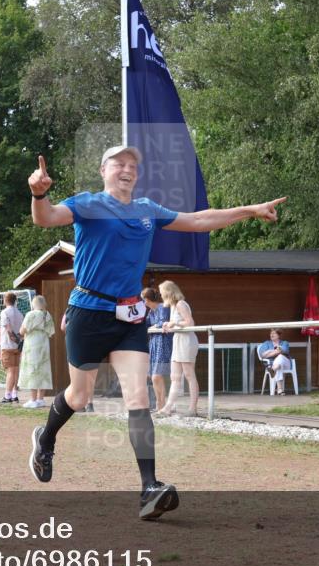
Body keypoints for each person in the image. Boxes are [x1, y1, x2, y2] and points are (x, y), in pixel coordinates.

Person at [26, 147, 284, 520]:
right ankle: (45, 438)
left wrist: (251, 210)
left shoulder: (147, 209)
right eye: (119, 164)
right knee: (80, 396)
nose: (127, 170)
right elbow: (46, 218)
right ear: (104, 170)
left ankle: (149, 487)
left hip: (130, 317)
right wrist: (39, 193)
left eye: (133, 166)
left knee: (138, 398)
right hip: (88, 312)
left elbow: (198, 220)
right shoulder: (88, 204)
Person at [157, 281, 199, 418]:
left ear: (168, 292)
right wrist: (168, 326)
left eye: (162, 292)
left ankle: (193, 408)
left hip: (187, 341)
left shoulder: (181, 304)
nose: (161, 295)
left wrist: (174, 323)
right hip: (178, 340)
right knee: (174, 377)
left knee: (189, 375)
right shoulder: (173, 306)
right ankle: (167, 408)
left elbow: (190, 323)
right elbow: (178, 325)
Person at [19, 295, 55, 408]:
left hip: (32, 344)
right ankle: (41, 399)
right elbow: (51, 332)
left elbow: (22, 330)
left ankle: (33, 400)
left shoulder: (31, 314)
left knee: (32, 369)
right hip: (44, 344)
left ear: (34, 304)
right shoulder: (47, 315)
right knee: (43, 370)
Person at [142, 287, 172, 412]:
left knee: (156, 376)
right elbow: (146, 324)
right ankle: (159, 405)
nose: (143, 302)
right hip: (154, 344)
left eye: (143, 300)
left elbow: (162, 323)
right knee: (153, 376)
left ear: (148, 300)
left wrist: (154, 326)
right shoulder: (151, 312)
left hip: (163, 343)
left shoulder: (162, 307)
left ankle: (162, 404)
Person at [0, 292, 24, 404]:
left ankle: (7, 396)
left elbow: (8, 329)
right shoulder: (20, 313)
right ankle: (14, 394)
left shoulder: (4, 313)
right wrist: (19, 341)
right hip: (17, 347)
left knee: (10, 371)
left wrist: (14, 339)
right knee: (15, 370)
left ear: (5, 300)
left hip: (8, 345)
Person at [258, 328, 292, 394]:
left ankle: (273, 369)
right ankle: (280, 389)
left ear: (279, 335)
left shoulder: (284, 343)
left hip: (286, 363)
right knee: (278, 365)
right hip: (275, 364)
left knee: (280, 357)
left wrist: (269, 352)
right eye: (271, 333)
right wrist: (274, 351)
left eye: (274, 333)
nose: (271, 335)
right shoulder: (266, 343)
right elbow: (262, 355)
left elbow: (283, 351)